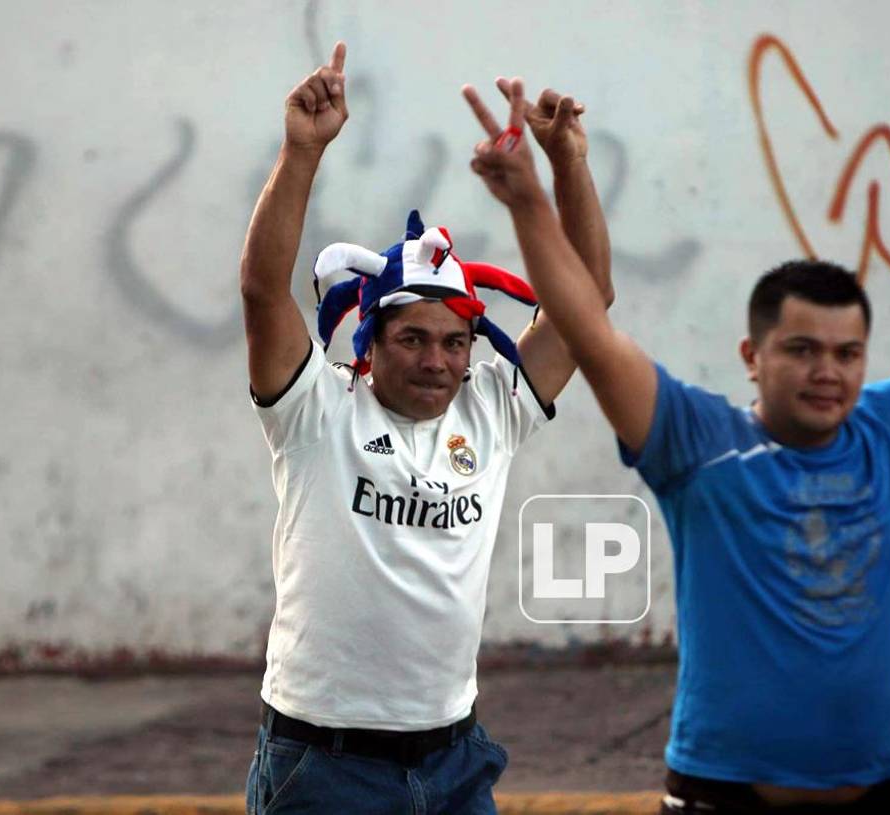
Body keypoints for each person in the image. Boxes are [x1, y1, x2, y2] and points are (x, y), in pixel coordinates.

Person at [463, 80, 890, 814]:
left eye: (847, 352)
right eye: (801, 349)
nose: (827, 371)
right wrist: (531, 198)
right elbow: (590, 330)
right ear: (751, 354)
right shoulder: (694, 439)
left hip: (879, 795)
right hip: (723, 797)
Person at [240, 43, 612, 814]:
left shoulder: (493, 406)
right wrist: (301, 150)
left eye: (454, 341)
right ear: (369, 342)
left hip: (455, 760)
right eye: (412, 338)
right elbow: (261, 289)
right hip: (322, 766)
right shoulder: (316, 407)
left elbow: (589, 302)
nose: (438, 360)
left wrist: (568, 164)